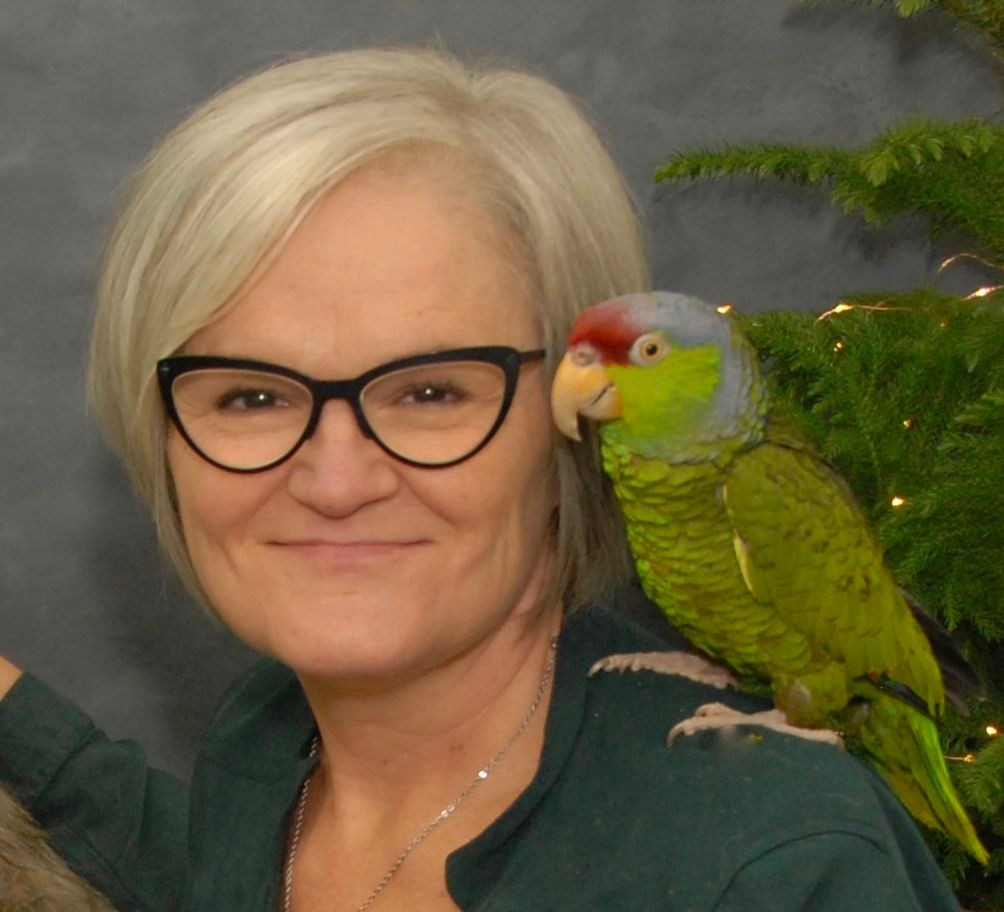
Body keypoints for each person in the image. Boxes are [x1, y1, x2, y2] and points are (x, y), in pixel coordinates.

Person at [0, 46, 962, 911]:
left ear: (569, 434)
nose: (336, 481)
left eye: (429, 392)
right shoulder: (267, 738)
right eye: (251, 398)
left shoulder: (772, 867)